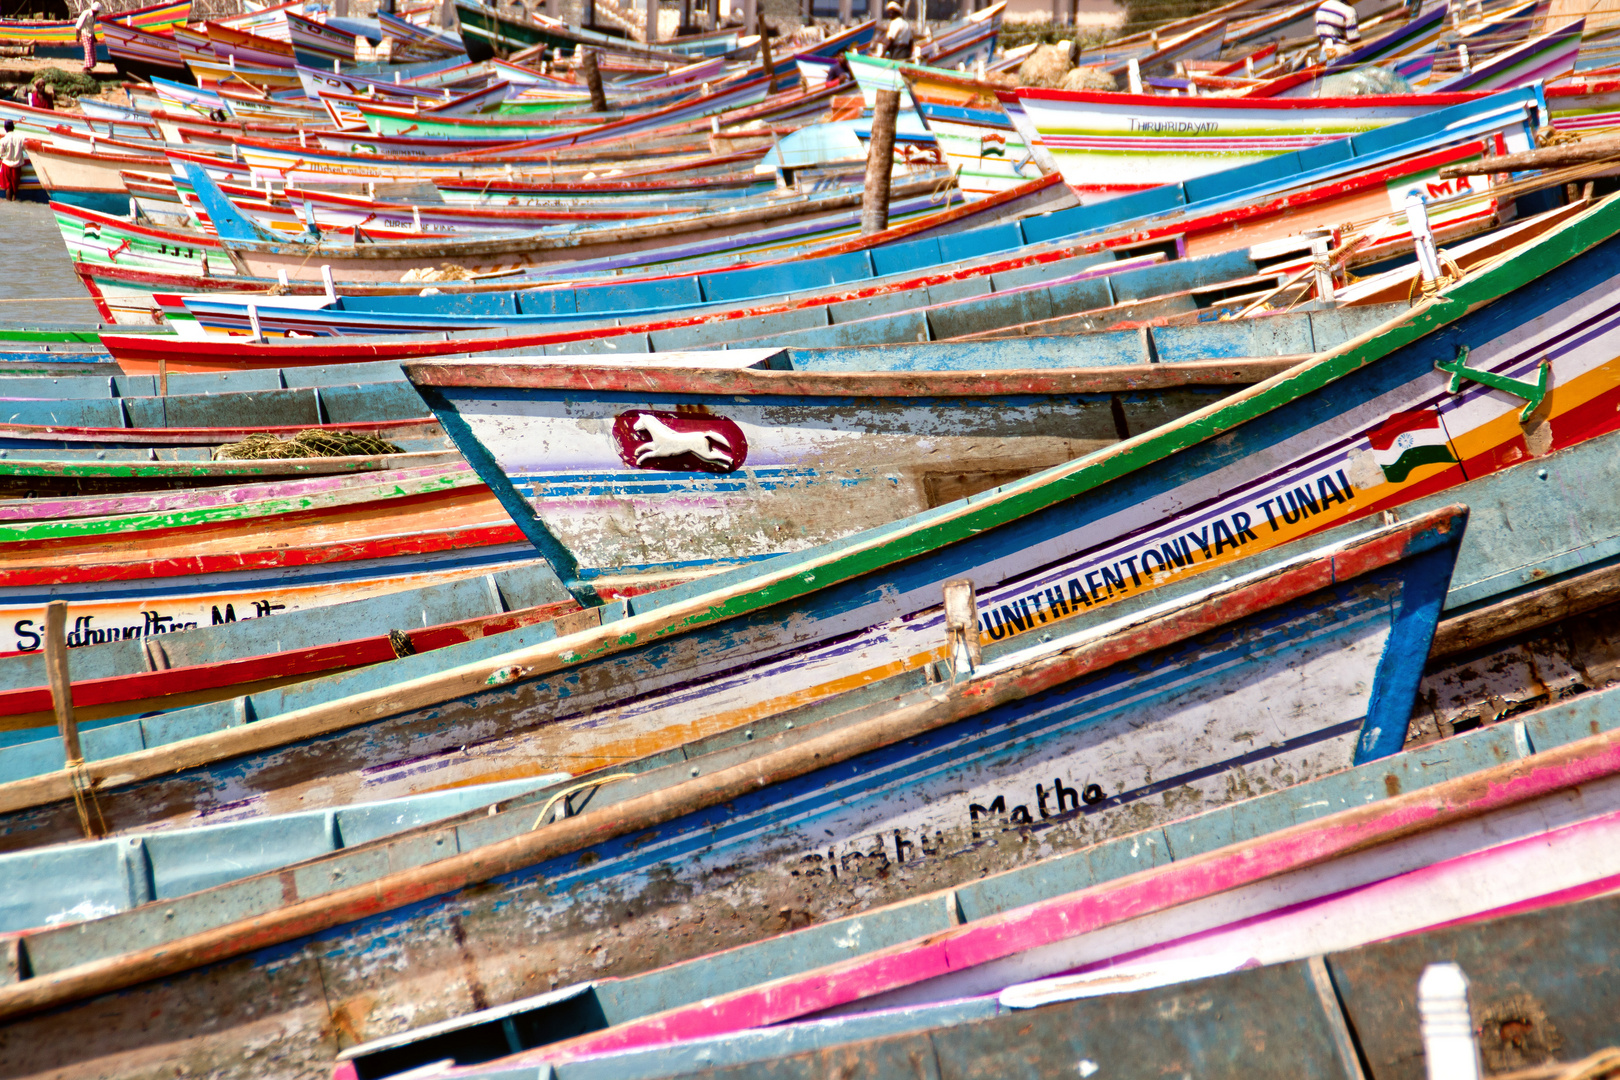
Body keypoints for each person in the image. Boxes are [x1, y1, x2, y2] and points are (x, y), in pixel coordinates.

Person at [74, 0, 102, 75]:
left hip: (91, 34)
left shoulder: (94, 16)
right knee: (88, 50)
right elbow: (79, 25)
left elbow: (92, 27)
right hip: (85, 33)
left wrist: (95, 37)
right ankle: (86, 67)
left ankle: (90, 66)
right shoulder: (86, 14)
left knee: (93, 50)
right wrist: (77, 36)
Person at [0, 121, 25, 202]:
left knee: (8, 187)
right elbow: (25, 149)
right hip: (17, 165)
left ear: (5, 129)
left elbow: (1, 154)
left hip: (6, 165)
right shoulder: (21, 138)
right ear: (13, 127)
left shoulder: (3, 140)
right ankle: (14, 201)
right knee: (15, 187)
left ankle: (9, 203)